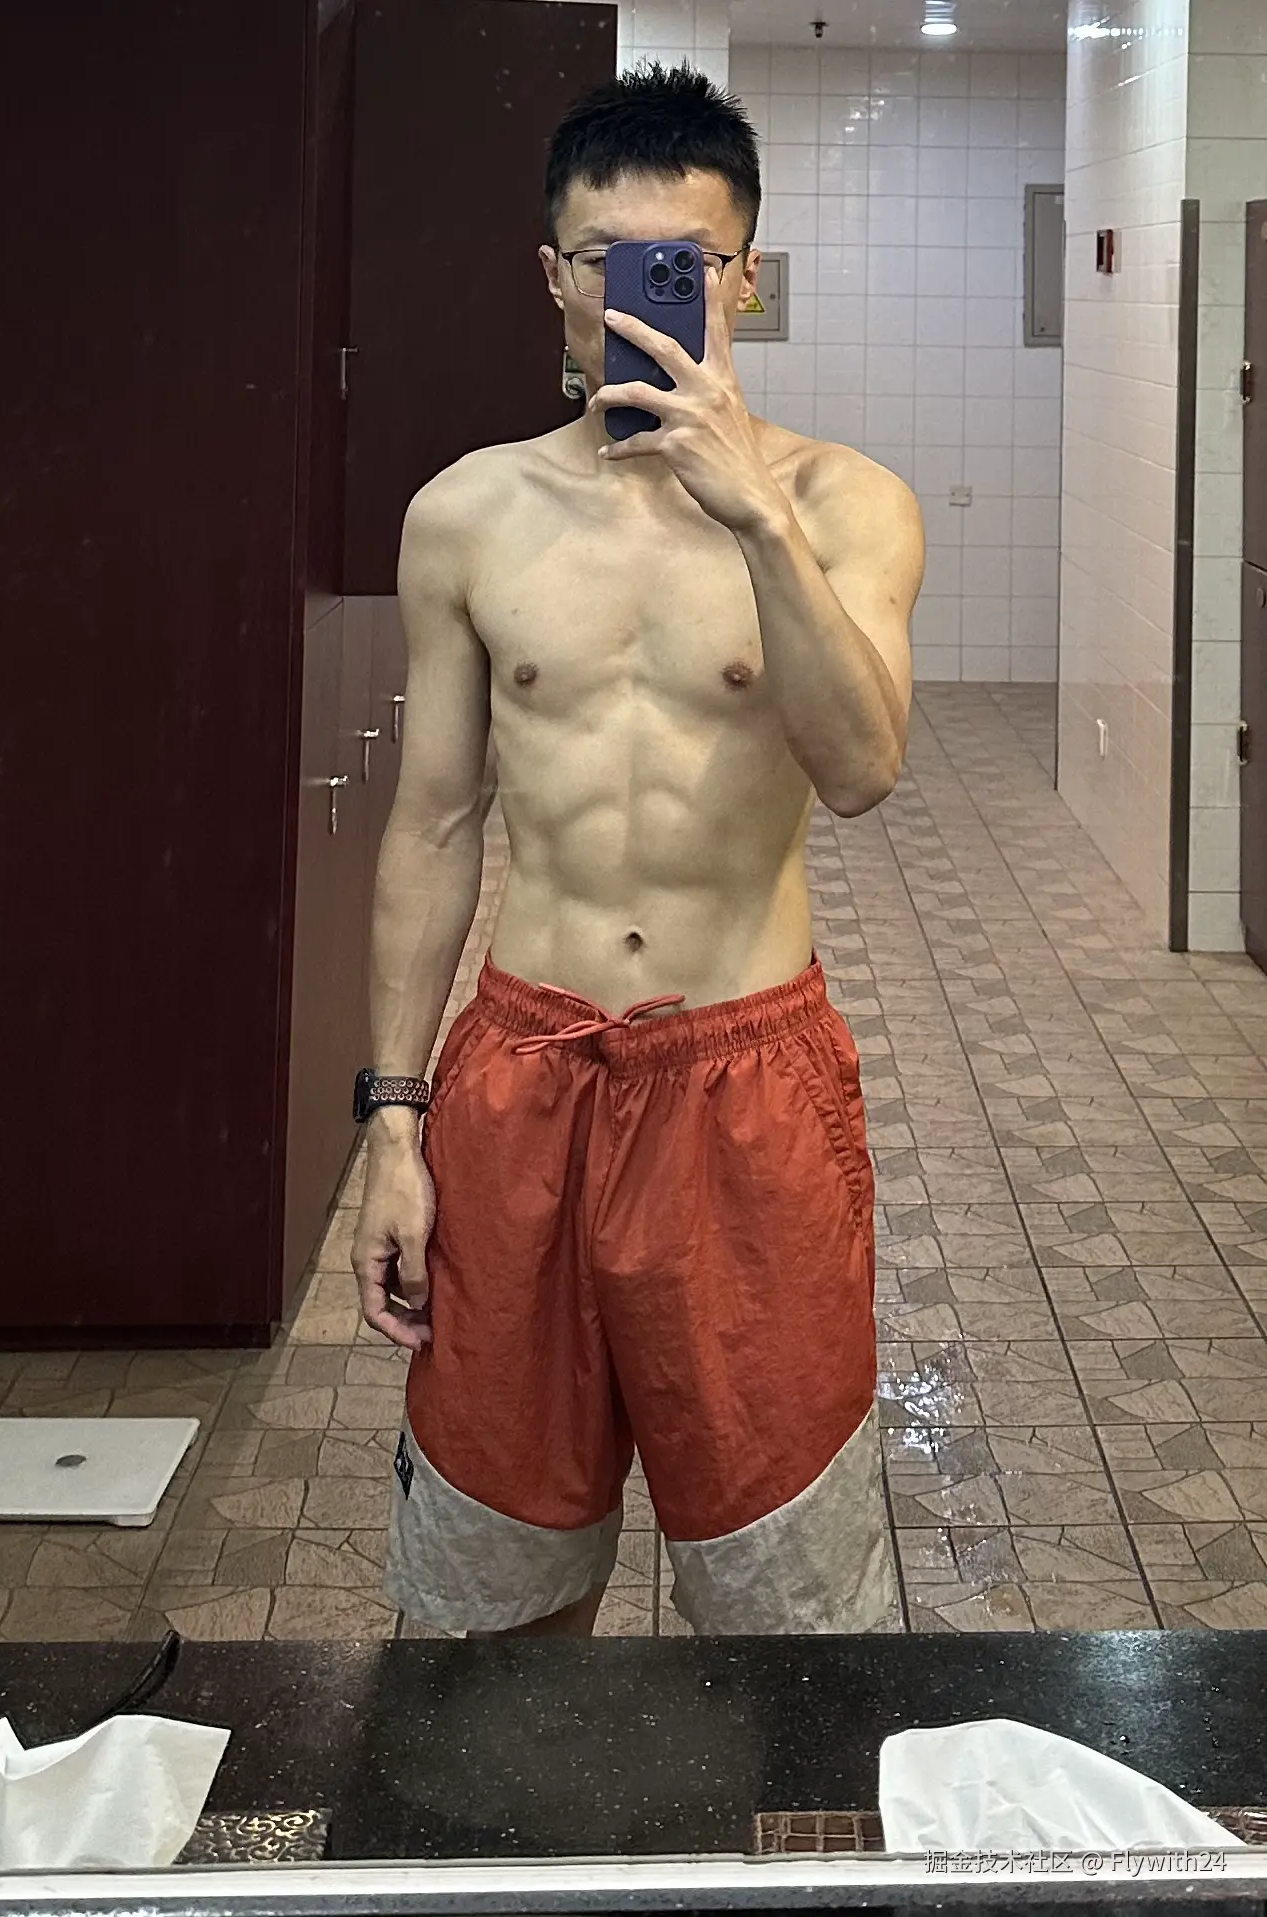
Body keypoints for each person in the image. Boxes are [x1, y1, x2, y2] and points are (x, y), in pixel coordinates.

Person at [351, 61, 923, 1638]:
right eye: (607, 260)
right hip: (520, 1080)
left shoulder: (846, 505)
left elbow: (862, 769)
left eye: (685, 261)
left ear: (745, 277)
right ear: (553, 276)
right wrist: (393, 1121)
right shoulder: (467, 514)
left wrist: (755, 517)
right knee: (489, 1601)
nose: (641, 294)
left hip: (746, 1084)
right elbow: (435, 823)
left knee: (790, 1610)